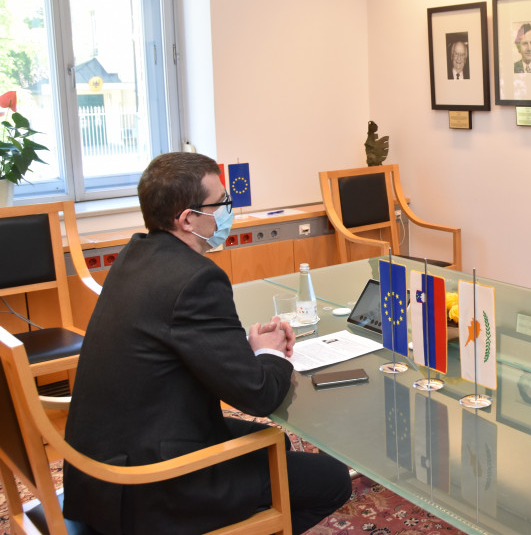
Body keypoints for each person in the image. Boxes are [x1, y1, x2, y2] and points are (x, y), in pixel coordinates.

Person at [63, 152, 352, 534]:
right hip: (150, 486)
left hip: (97, 473)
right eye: (221, 203)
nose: (227, 212)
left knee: (273, 443)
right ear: (187, 219)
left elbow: (174, 350)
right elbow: (259, 397)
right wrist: (270, 354)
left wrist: (246, 351)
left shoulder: (134, 255)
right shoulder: (197, 279)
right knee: (332, 480)